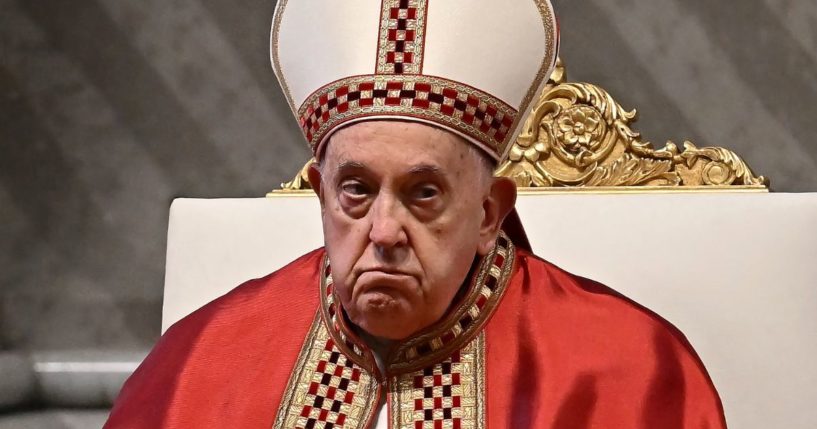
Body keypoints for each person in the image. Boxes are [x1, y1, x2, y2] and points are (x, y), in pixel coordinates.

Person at [105, 1, 726, 427]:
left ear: (489, 212)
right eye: (355, 190)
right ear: (320, 193)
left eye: (423, 193)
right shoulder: (200, 368)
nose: (383, 232)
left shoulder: (629, 373)